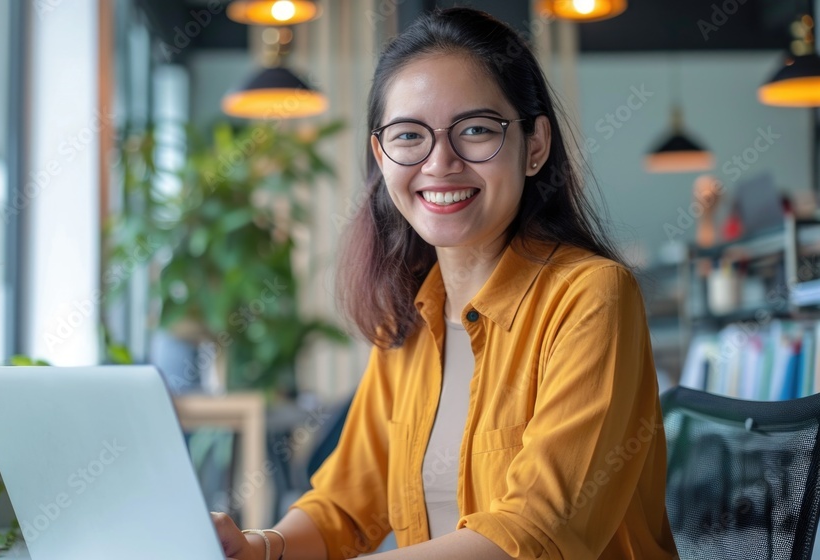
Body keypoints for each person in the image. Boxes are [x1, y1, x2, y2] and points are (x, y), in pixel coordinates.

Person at [213, 7, 679, 560]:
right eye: (409, 136)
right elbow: (340, 506)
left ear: (535, 146)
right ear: (381, 155)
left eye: (476, 130)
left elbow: (535, 534)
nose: (440, 163)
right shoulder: (410, 319)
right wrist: (257, 548)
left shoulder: (592, 297)